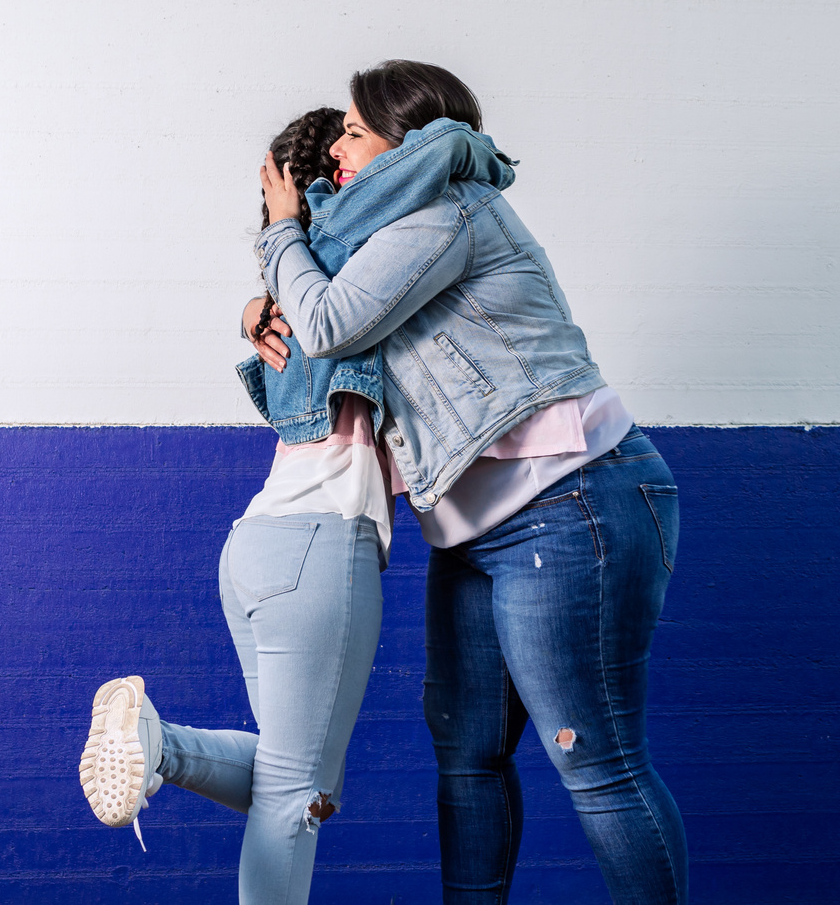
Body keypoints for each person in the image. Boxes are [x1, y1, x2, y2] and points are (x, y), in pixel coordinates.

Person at [249, 59, 689, 905]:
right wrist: (254, 304)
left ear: (405, 143)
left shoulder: (443, 209)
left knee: (594, 762)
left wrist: (279, 231)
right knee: (468, 760)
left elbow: (332, 323)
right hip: (475, 530)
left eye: (353, 131)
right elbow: (318, 321)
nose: (337, 148)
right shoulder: (376, 239)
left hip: (570, 500)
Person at [79, 106, 516, 905]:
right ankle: (157, 743)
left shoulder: (288, 293)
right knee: (295, 798)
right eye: (350, 145)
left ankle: (157, 744)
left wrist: (262, 282)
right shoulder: (359, 277)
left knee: (301, 781)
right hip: (322, 552)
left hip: (252, 552)